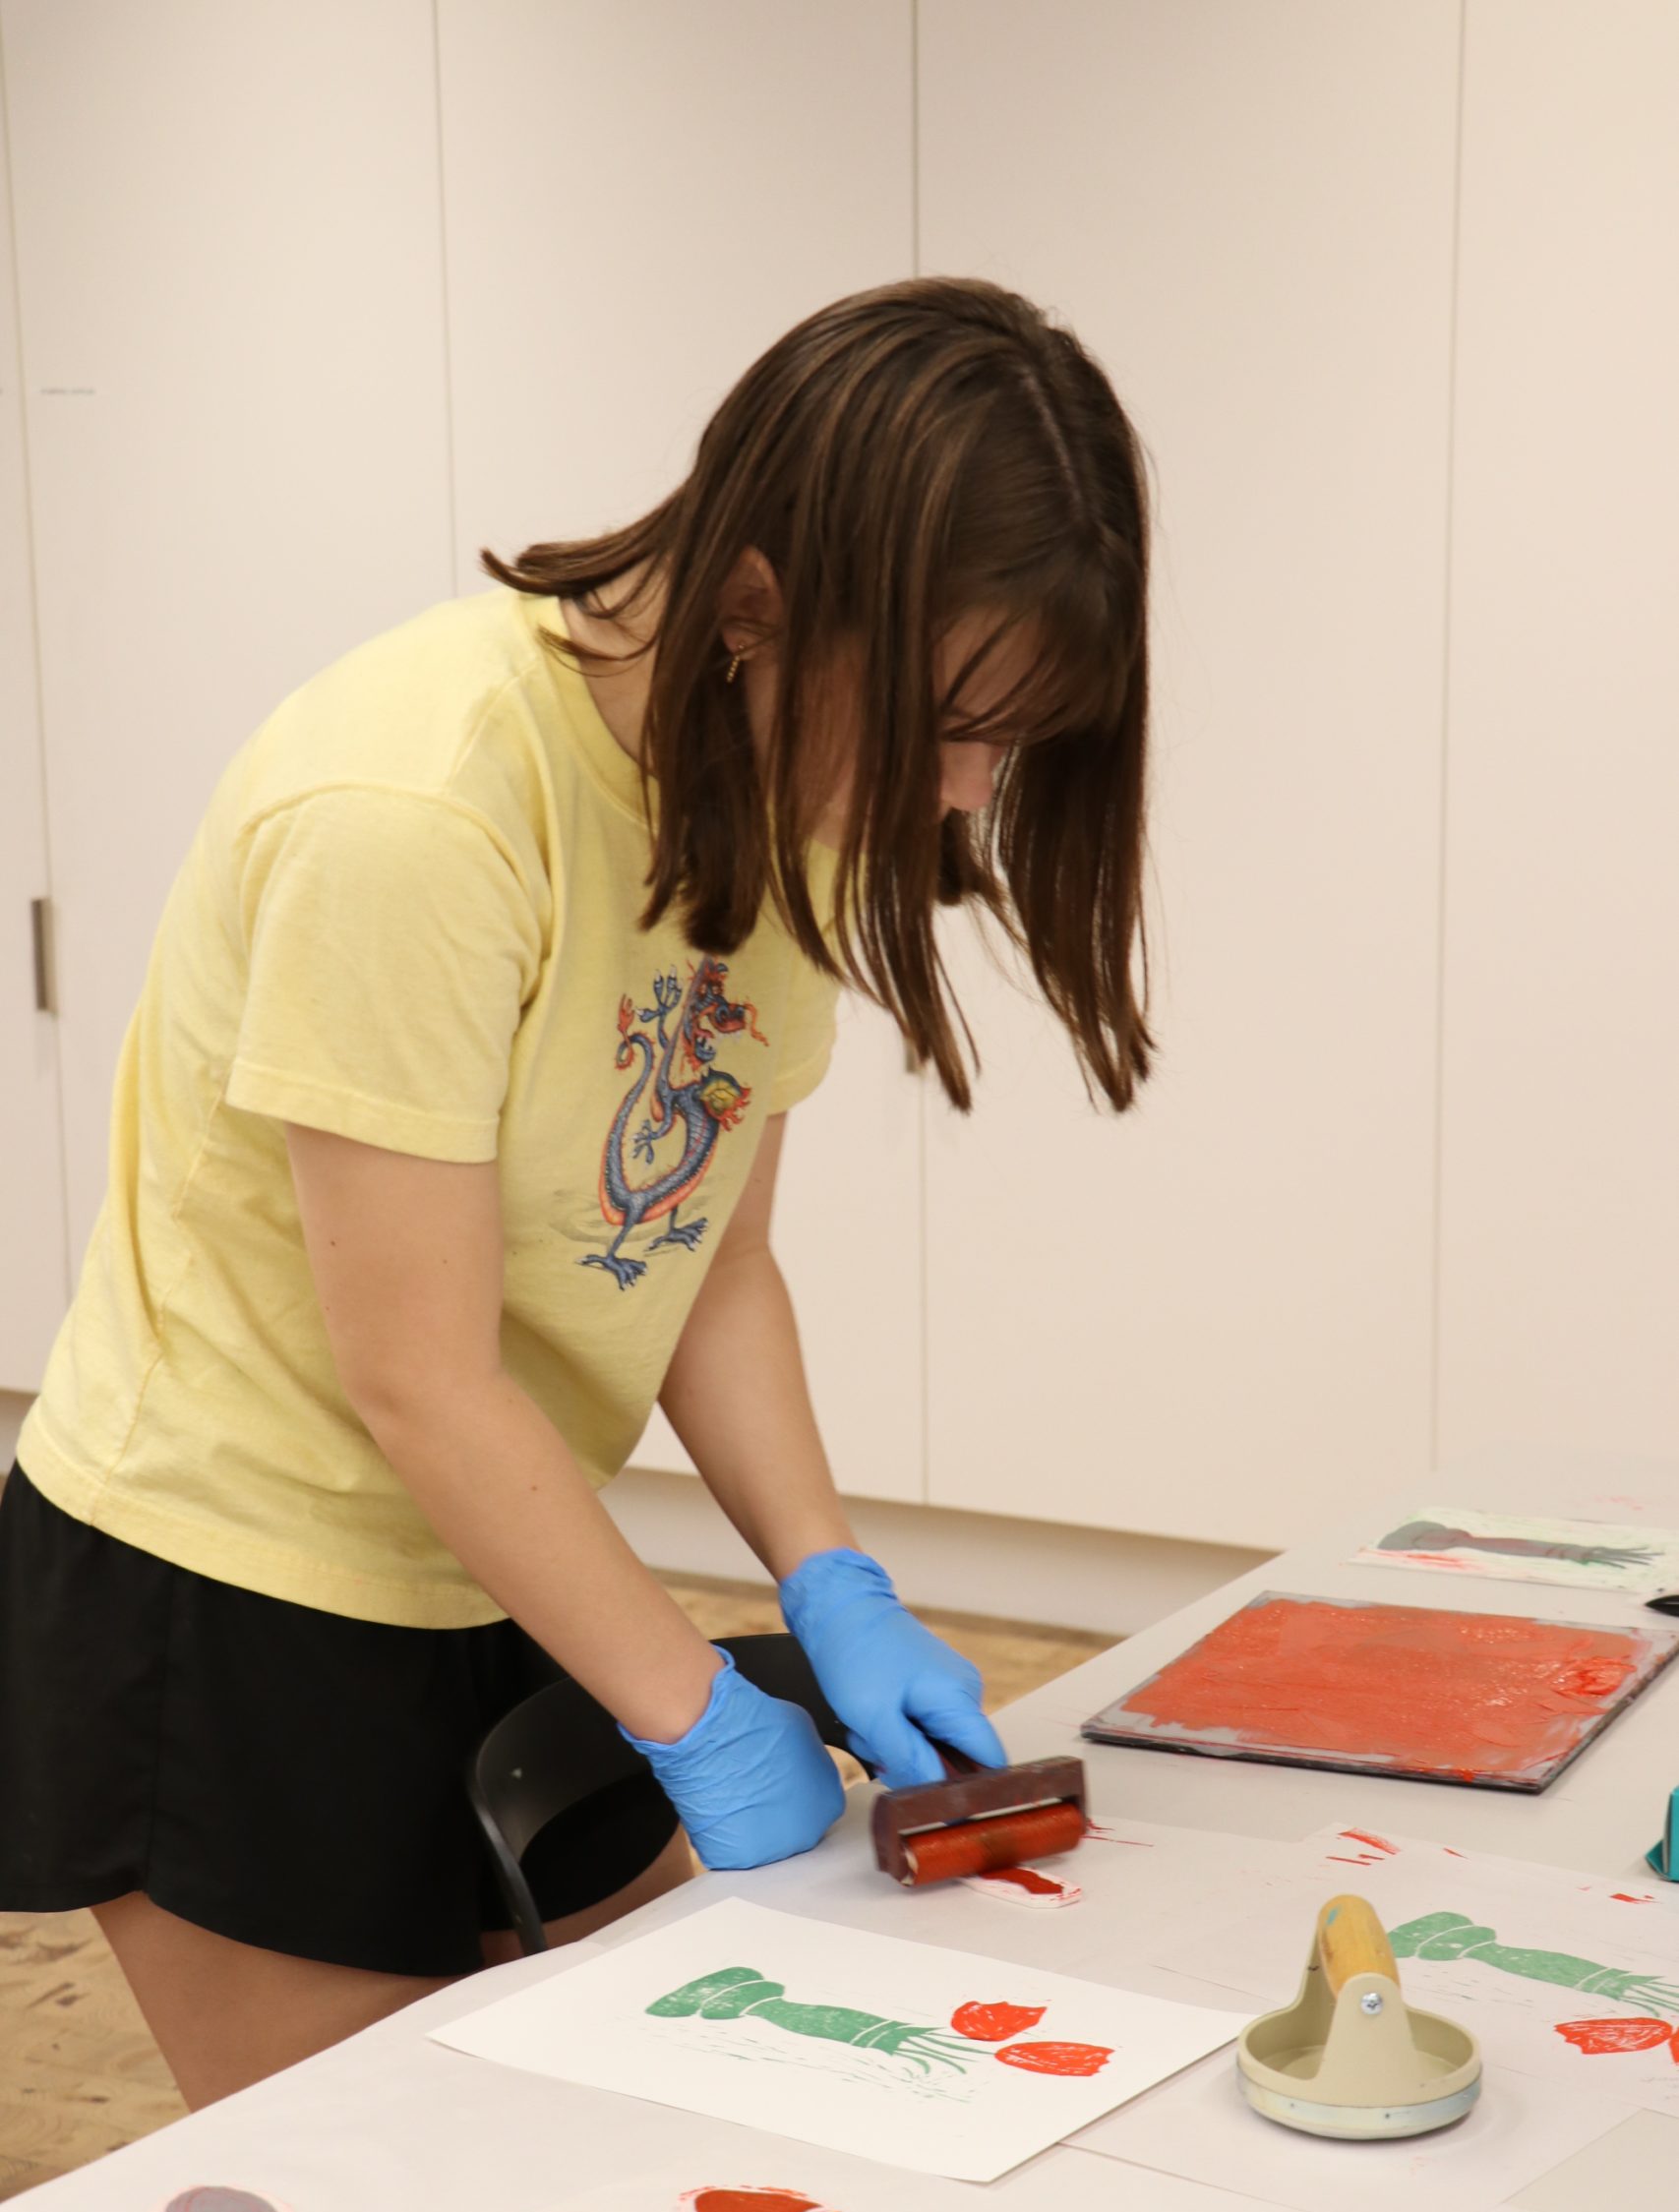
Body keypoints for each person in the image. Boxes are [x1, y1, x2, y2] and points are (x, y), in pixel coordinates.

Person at [0, 275, 1153, 2109]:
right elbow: (419, 1376)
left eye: (1009, 745)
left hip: (501, 1553)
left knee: (624, 2131)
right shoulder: (423, 808)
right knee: (381, 2211)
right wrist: (692, 1709)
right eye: (950, 721)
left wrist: (827, 1574)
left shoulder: (774, 794)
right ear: (759, 606)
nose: (961, 796)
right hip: (235, 1592)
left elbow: (714, 1262)